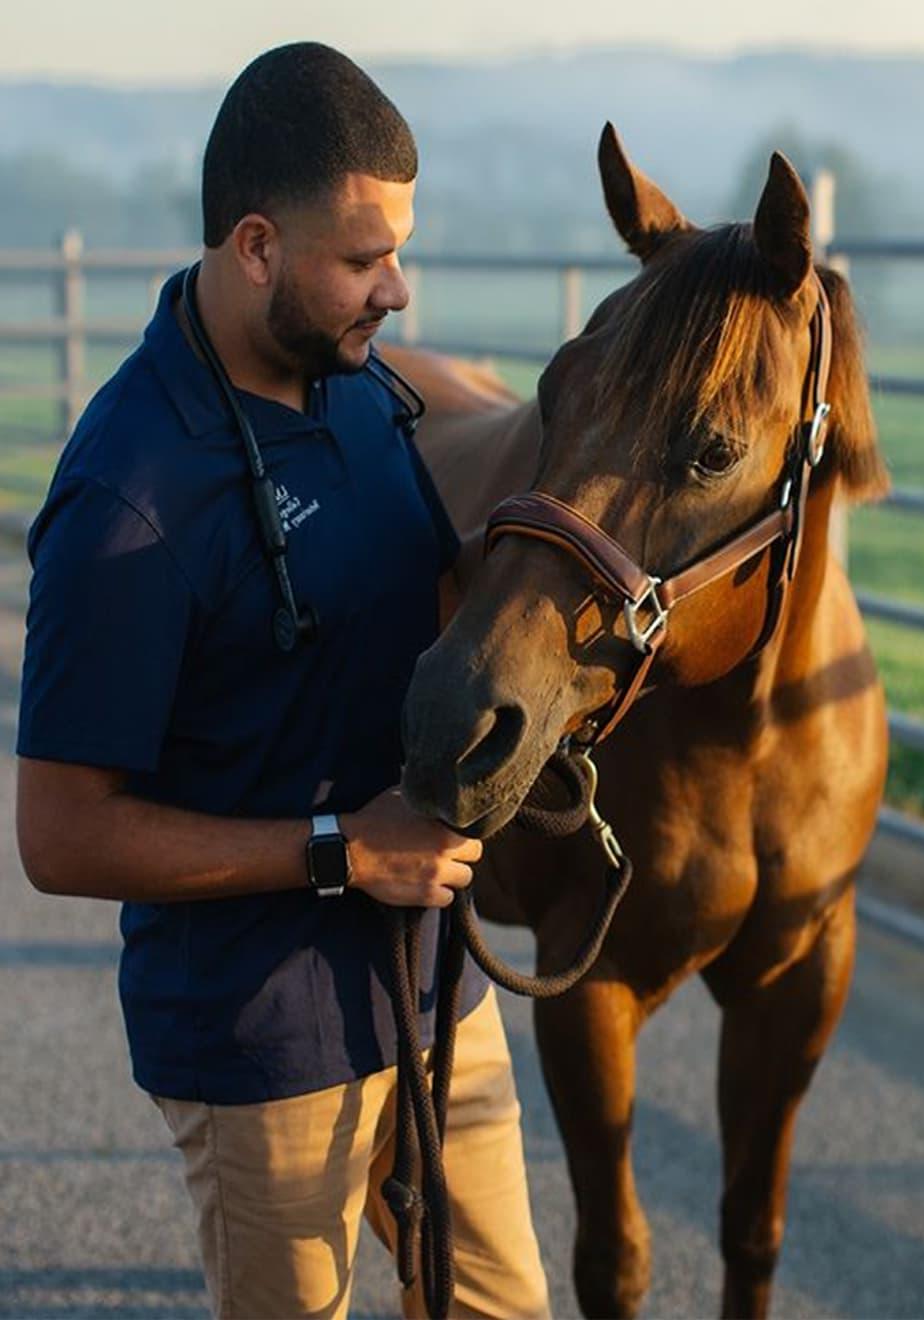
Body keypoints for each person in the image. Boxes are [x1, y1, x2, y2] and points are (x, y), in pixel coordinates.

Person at [15, 42, 548, 1320]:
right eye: (364, 259)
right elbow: (58, 835)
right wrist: (342, 854)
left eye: (400, 251)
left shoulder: (365, 392)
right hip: (261, 1047)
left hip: (436, 992)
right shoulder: (128, 500)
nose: (397, 289)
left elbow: (417, 597)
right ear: (256, 247)